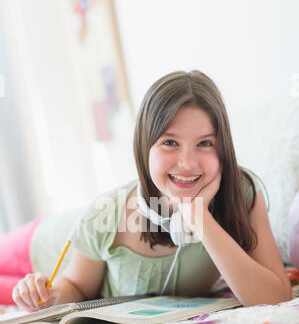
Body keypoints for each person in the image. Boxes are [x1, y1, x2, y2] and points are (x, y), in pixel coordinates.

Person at [2, 70, 292, 311]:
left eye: (204, 143)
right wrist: (45, 295)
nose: (188, 163)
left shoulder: (243, 195)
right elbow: (77, 285)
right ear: (145, 149)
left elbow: (275, 297)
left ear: (223, 148)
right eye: (170, 143)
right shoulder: (108, 213)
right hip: (41, 245)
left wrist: (199, 218)